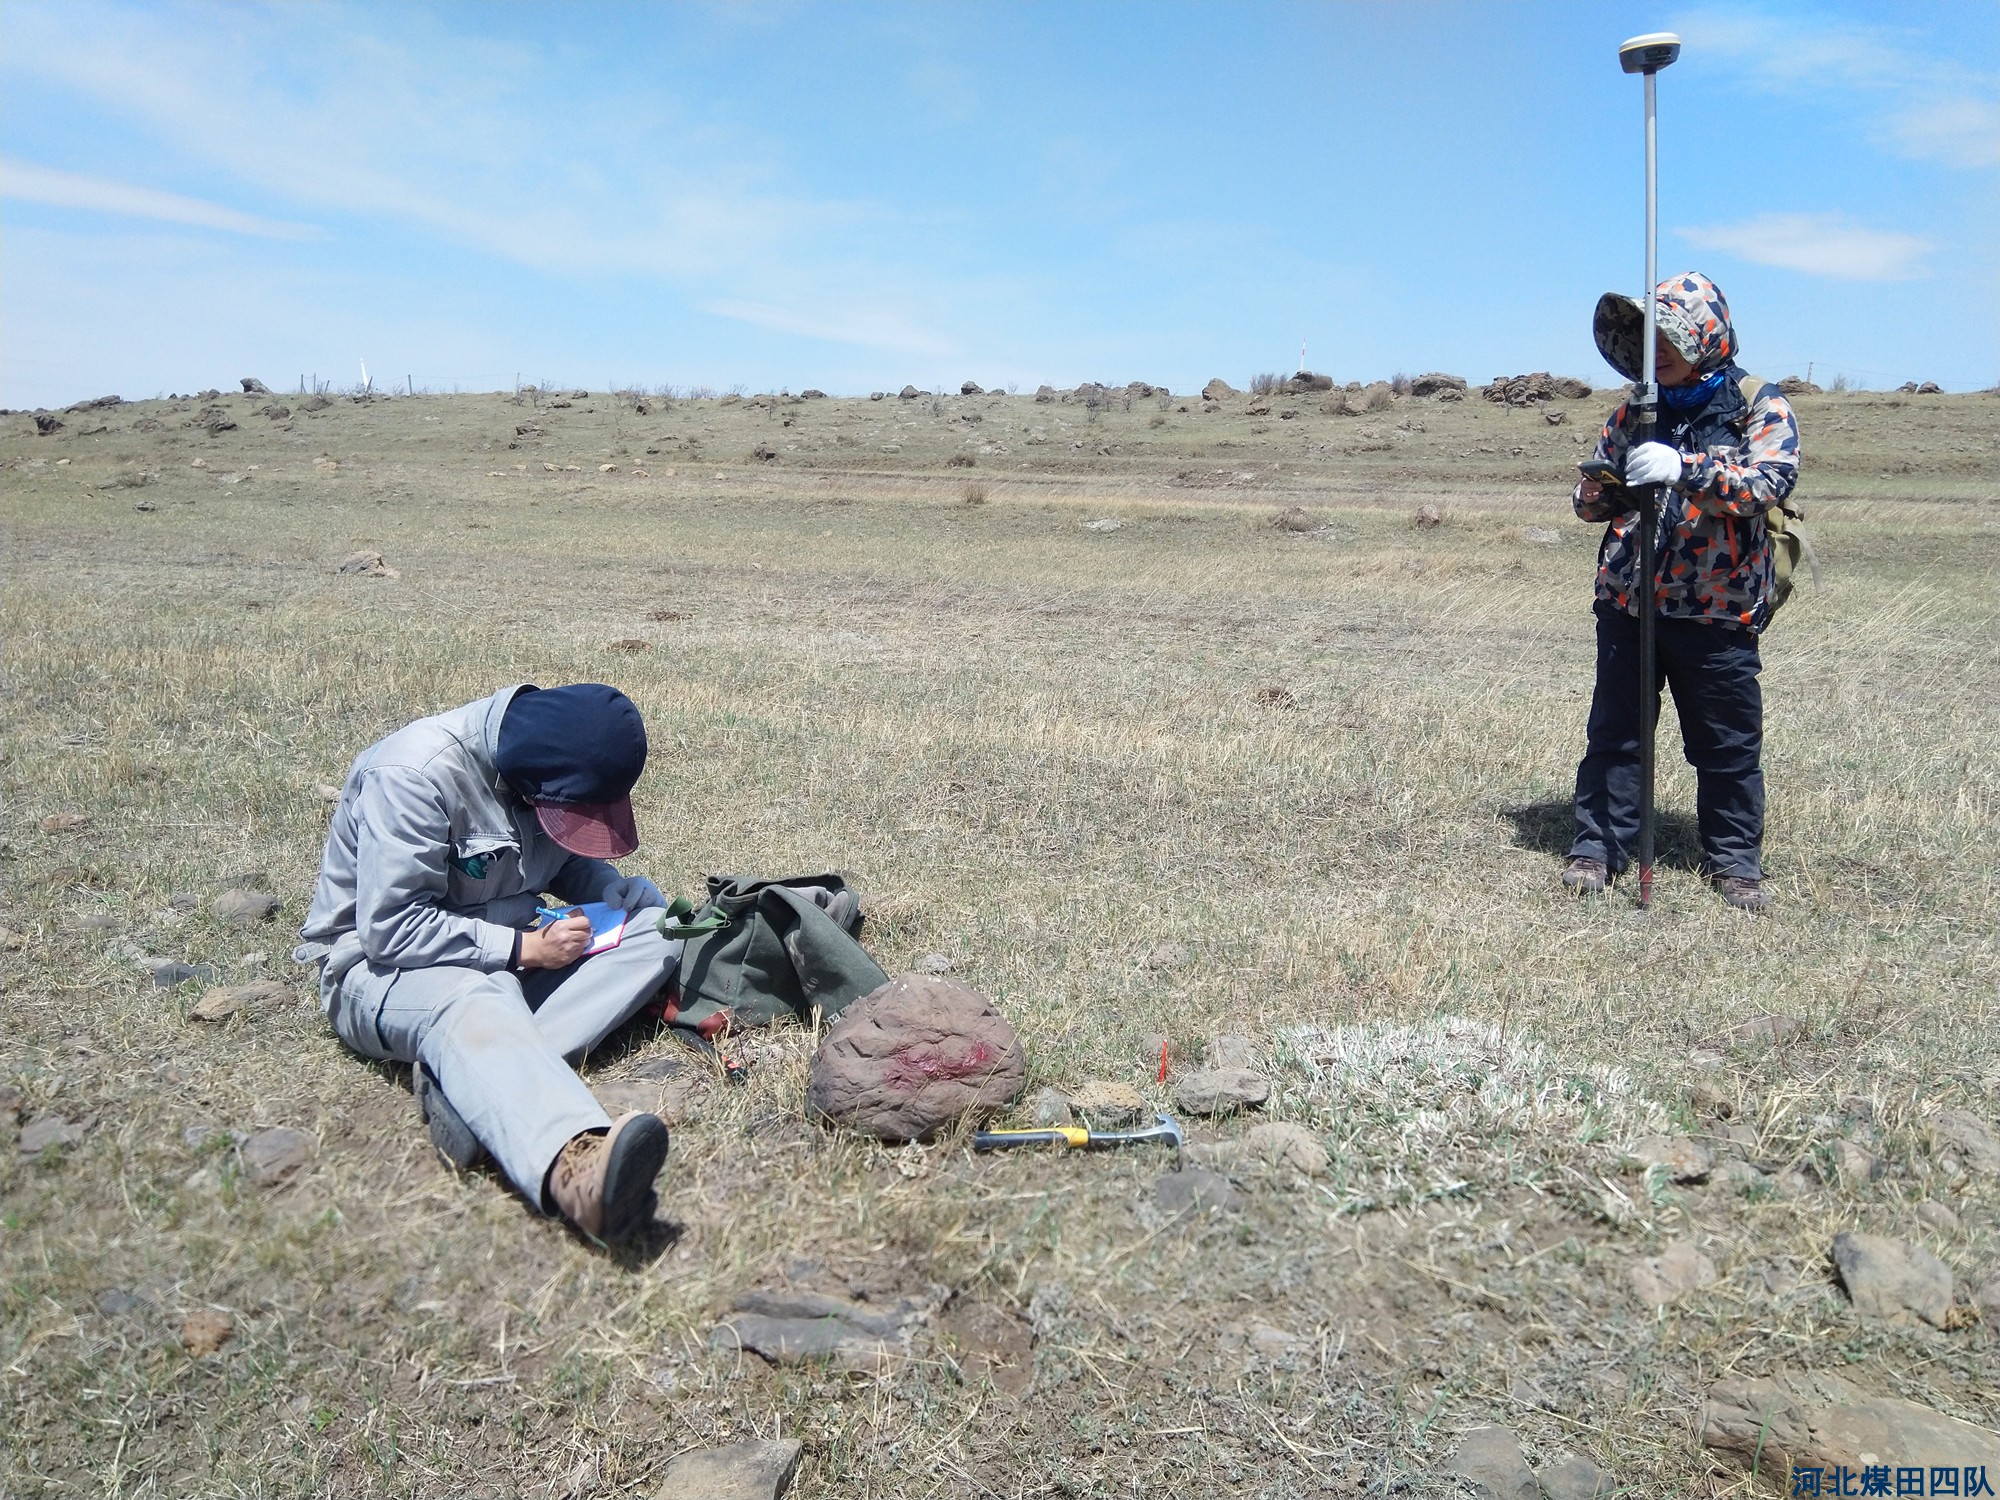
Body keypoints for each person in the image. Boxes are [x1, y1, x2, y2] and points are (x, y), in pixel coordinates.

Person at [294, 683, 679, 1241]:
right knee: (476, 995)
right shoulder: (413, 774)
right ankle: (577, 1167)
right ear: (532, 782)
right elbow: (389, 931)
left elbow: (563, 862)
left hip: (507, 957)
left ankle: (469, 1077)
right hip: (382, 973)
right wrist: (525, 950)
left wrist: (611, 890)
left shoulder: (544, 761)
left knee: (657, 931)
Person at [1563, 272, 1801, 912]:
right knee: (1616, 734)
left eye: (1667, 334)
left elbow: (1767, 484)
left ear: (1704, 333)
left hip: (1716, 613)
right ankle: (1598, 850)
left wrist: (1686, 467)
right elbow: (1598, 499)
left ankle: (1733, 862)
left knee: (1725, 744)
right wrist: (1592, 493)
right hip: (1628, 604)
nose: (1656, 350)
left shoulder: (1759, 405)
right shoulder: (1635, 408)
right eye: (1646, 338)